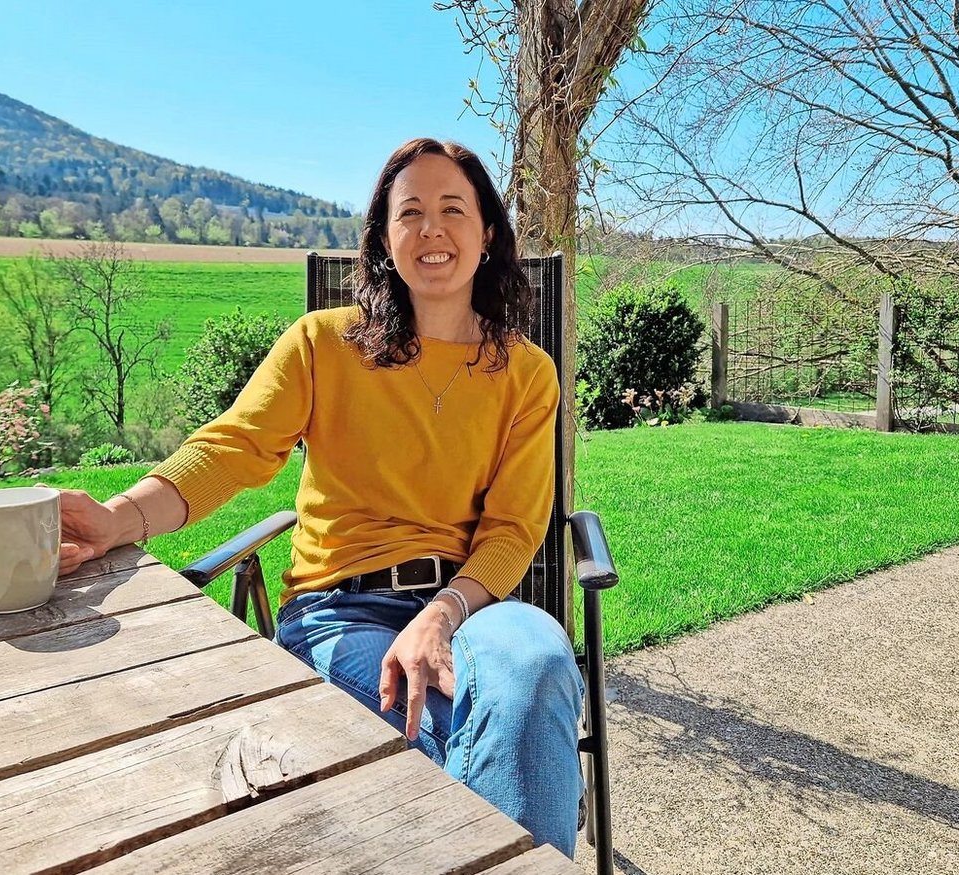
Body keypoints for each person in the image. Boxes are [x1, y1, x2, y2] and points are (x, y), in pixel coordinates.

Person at [49, 137, 584, 857]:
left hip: (467, 609)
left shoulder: (526, 371)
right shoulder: (323, 345)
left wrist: (441, 614)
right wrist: (121, 517)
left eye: (453, 208)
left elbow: (515, 530)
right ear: (384, 239)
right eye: (410, 212)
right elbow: (231, 449)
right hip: (341, 612)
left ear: (486, 233)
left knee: (540, 663)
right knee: (503, 734)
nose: (432, 229)